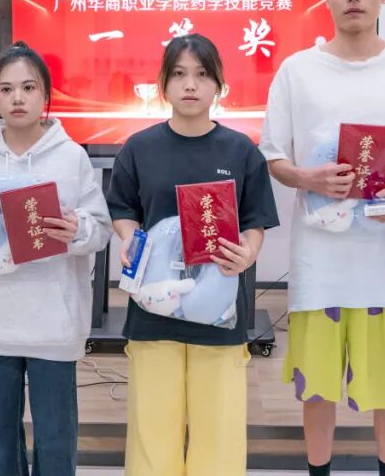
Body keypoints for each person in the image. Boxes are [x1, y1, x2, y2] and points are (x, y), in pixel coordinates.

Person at [260, 0, 385, 476]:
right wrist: (306, 176)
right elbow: (274, 157)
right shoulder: (297, 70)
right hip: (320, 262)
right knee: (317, 390)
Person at [107, 34, 279, 475]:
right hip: (152, 311)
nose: (190, 84)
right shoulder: (139, 148)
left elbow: (255, 221)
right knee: (152, 429)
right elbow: (123, 209)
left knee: (218, 431)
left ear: (218, 84)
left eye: (202, 74)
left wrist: (248, 253)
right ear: (163, 84)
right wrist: (127, 237)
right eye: (179, 74)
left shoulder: (241, 150)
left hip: (220, 312)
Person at [0, 41, 113, 476]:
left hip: (54, 324)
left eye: (28, 87)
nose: (17, 98)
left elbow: (100, 229)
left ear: (45, 95)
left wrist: (77, 230)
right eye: (6, 89)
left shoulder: (71, 157)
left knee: (55, 441)